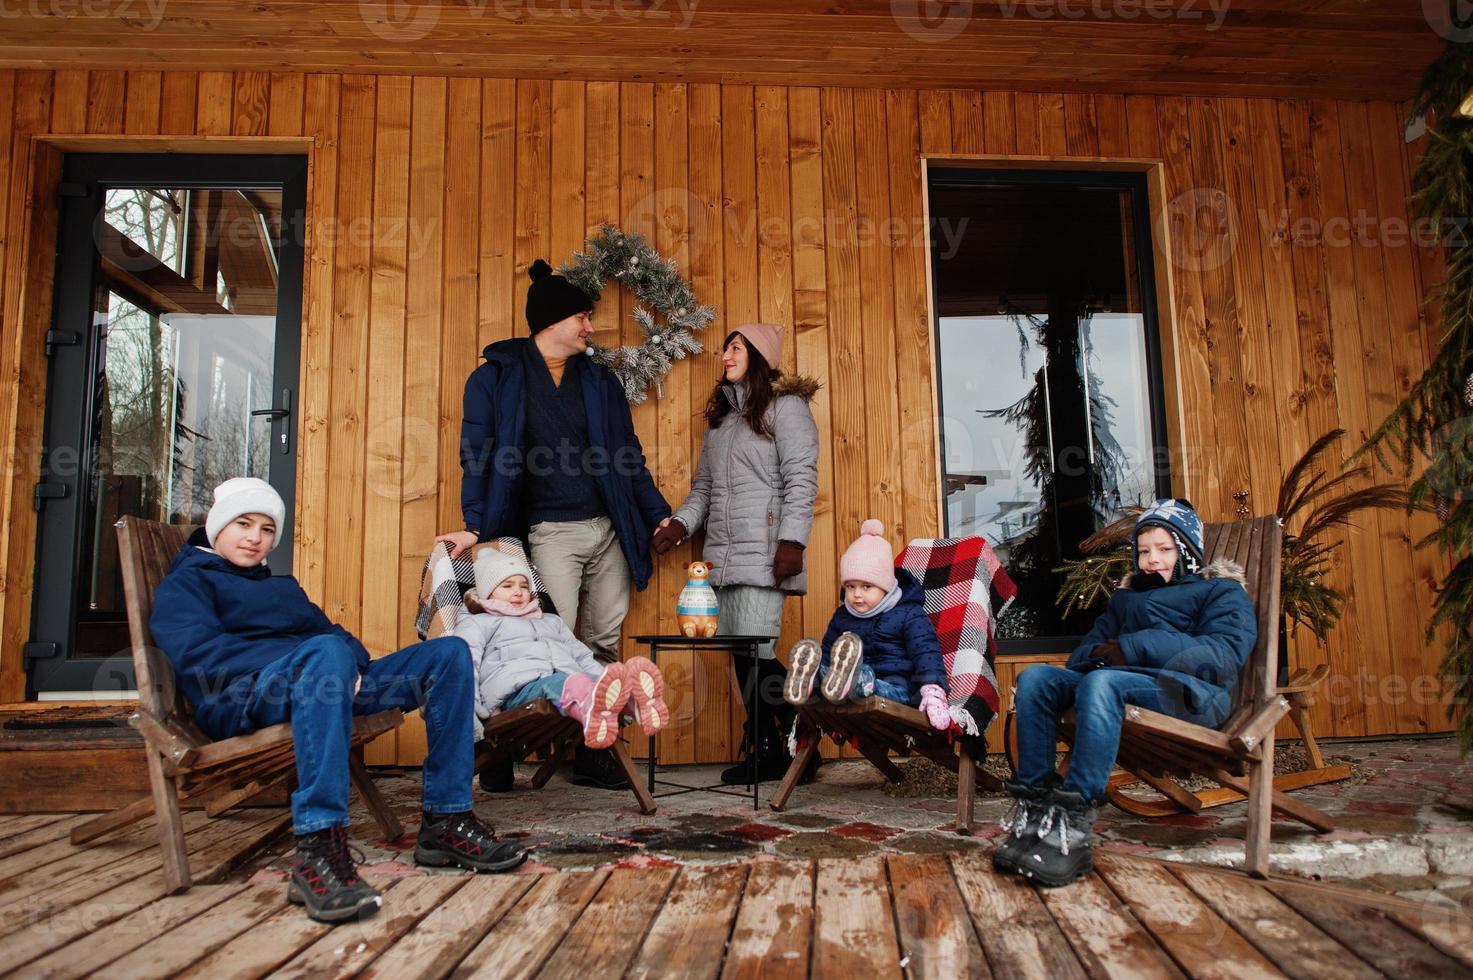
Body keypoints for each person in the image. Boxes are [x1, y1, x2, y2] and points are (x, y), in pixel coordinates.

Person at [150, 478, 525, 925]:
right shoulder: (186, 584)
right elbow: (200, 658)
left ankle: (446, 820)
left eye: (267, 529)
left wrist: (337, 665)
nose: (255, 537)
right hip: (245, 696)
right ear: (217, 528)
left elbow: (337, 638)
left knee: (449, 654)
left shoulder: (279, 586)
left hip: (325, 684)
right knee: (323, 655)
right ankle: (319, 848)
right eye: (243, 524)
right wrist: (313, 661)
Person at [437, 259, 672, 791]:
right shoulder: (495, 378)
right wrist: (477, 526)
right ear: (552, 321)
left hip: (609, 528)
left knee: (602, 639)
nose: (591, 327)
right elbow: (477, 455)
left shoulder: (600, 380)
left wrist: (658, 513)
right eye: (583, 317)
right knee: (541, 637)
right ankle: (498, 748)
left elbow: (627, 455)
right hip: (549, 532)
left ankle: (593, 754)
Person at [996, 499, 1256, 887]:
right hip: (1121, 682)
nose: (1152, 560)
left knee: (1102, 683)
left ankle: (1075, 831)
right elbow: (1086, 654)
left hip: (1187, 695)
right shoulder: (1125, 599)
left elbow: (1221, 655)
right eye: (1145, 551)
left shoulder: (1219, 592)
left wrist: (1131, 648)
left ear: (1187, 552)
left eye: (1165, 550)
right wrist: (1104, 656)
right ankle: (1035, 812)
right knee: (1036, 679)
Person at [651, 324, 819, 784]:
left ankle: (790, 734)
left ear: (759, 356)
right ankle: (788, 741)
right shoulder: (722, 423)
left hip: (766, 552)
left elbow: (801, 479)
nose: (725, 355)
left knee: (757, 654)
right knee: (744, 655)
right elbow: (703, 490)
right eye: (726, 347)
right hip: (723, 555)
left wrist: (792, 542)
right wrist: (680, 524)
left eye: (736, 347)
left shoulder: (787, 409)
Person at [455, 547, 670, 752]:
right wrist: (470, 702)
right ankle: (594, 712)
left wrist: (602, 678)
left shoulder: (549, 620)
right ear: (488, 593)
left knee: (586, 680)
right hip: (518, 689)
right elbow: (464, 661)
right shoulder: (479, 622)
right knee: (572, 682)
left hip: (565, 680)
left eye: (523, 585)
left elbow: (581, 656)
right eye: (507, 586)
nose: (518, 592)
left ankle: (636, 703)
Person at [783, 520, 951, 732]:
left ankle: (854, 679)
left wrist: (933, 691)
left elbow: (926, 652)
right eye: (850, 586)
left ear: (886, 586)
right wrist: (822, 665)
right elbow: (827, 652)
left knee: (865, 681)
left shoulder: (909, 613)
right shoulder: (843, 616)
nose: (857, 594)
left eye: (866, 586)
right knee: (827, 667)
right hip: (846, 686)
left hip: (898, 688)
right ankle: (811, 678)